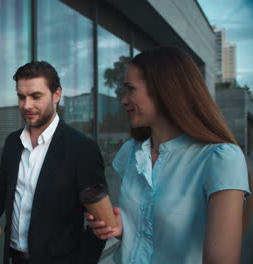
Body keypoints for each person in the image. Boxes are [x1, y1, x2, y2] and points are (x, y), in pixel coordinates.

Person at [88, 46, 252, 263]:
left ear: (163, 90)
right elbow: (148, 229)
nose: (123, 100)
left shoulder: (220, 158)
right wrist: (122, 227)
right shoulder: (131, 151)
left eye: (130, 89)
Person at [0, 61, 107, 264]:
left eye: (36, 96)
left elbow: (100, 221)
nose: (27, 105)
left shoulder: (82, 148)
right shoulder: (12, 141)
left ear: (56, 95)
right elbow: (1, 186)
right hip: (15, 258)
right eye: (21, 97)